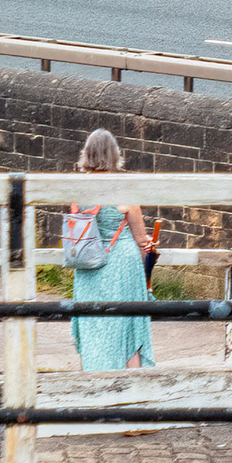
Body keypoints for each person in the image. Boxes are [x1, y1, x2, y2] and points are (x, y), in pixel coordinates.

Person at [62, 129, 156, 373]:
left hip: (88, 264)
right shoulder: (123, 190)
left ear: (87, 154)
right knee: (128, 326)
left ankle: (91, 381)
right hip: (122, 264)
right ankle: (134, 386)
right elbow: (141, 239)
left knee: (92, 326)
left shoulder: (78, 190)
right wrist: (147, 273)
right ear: (115, 155)